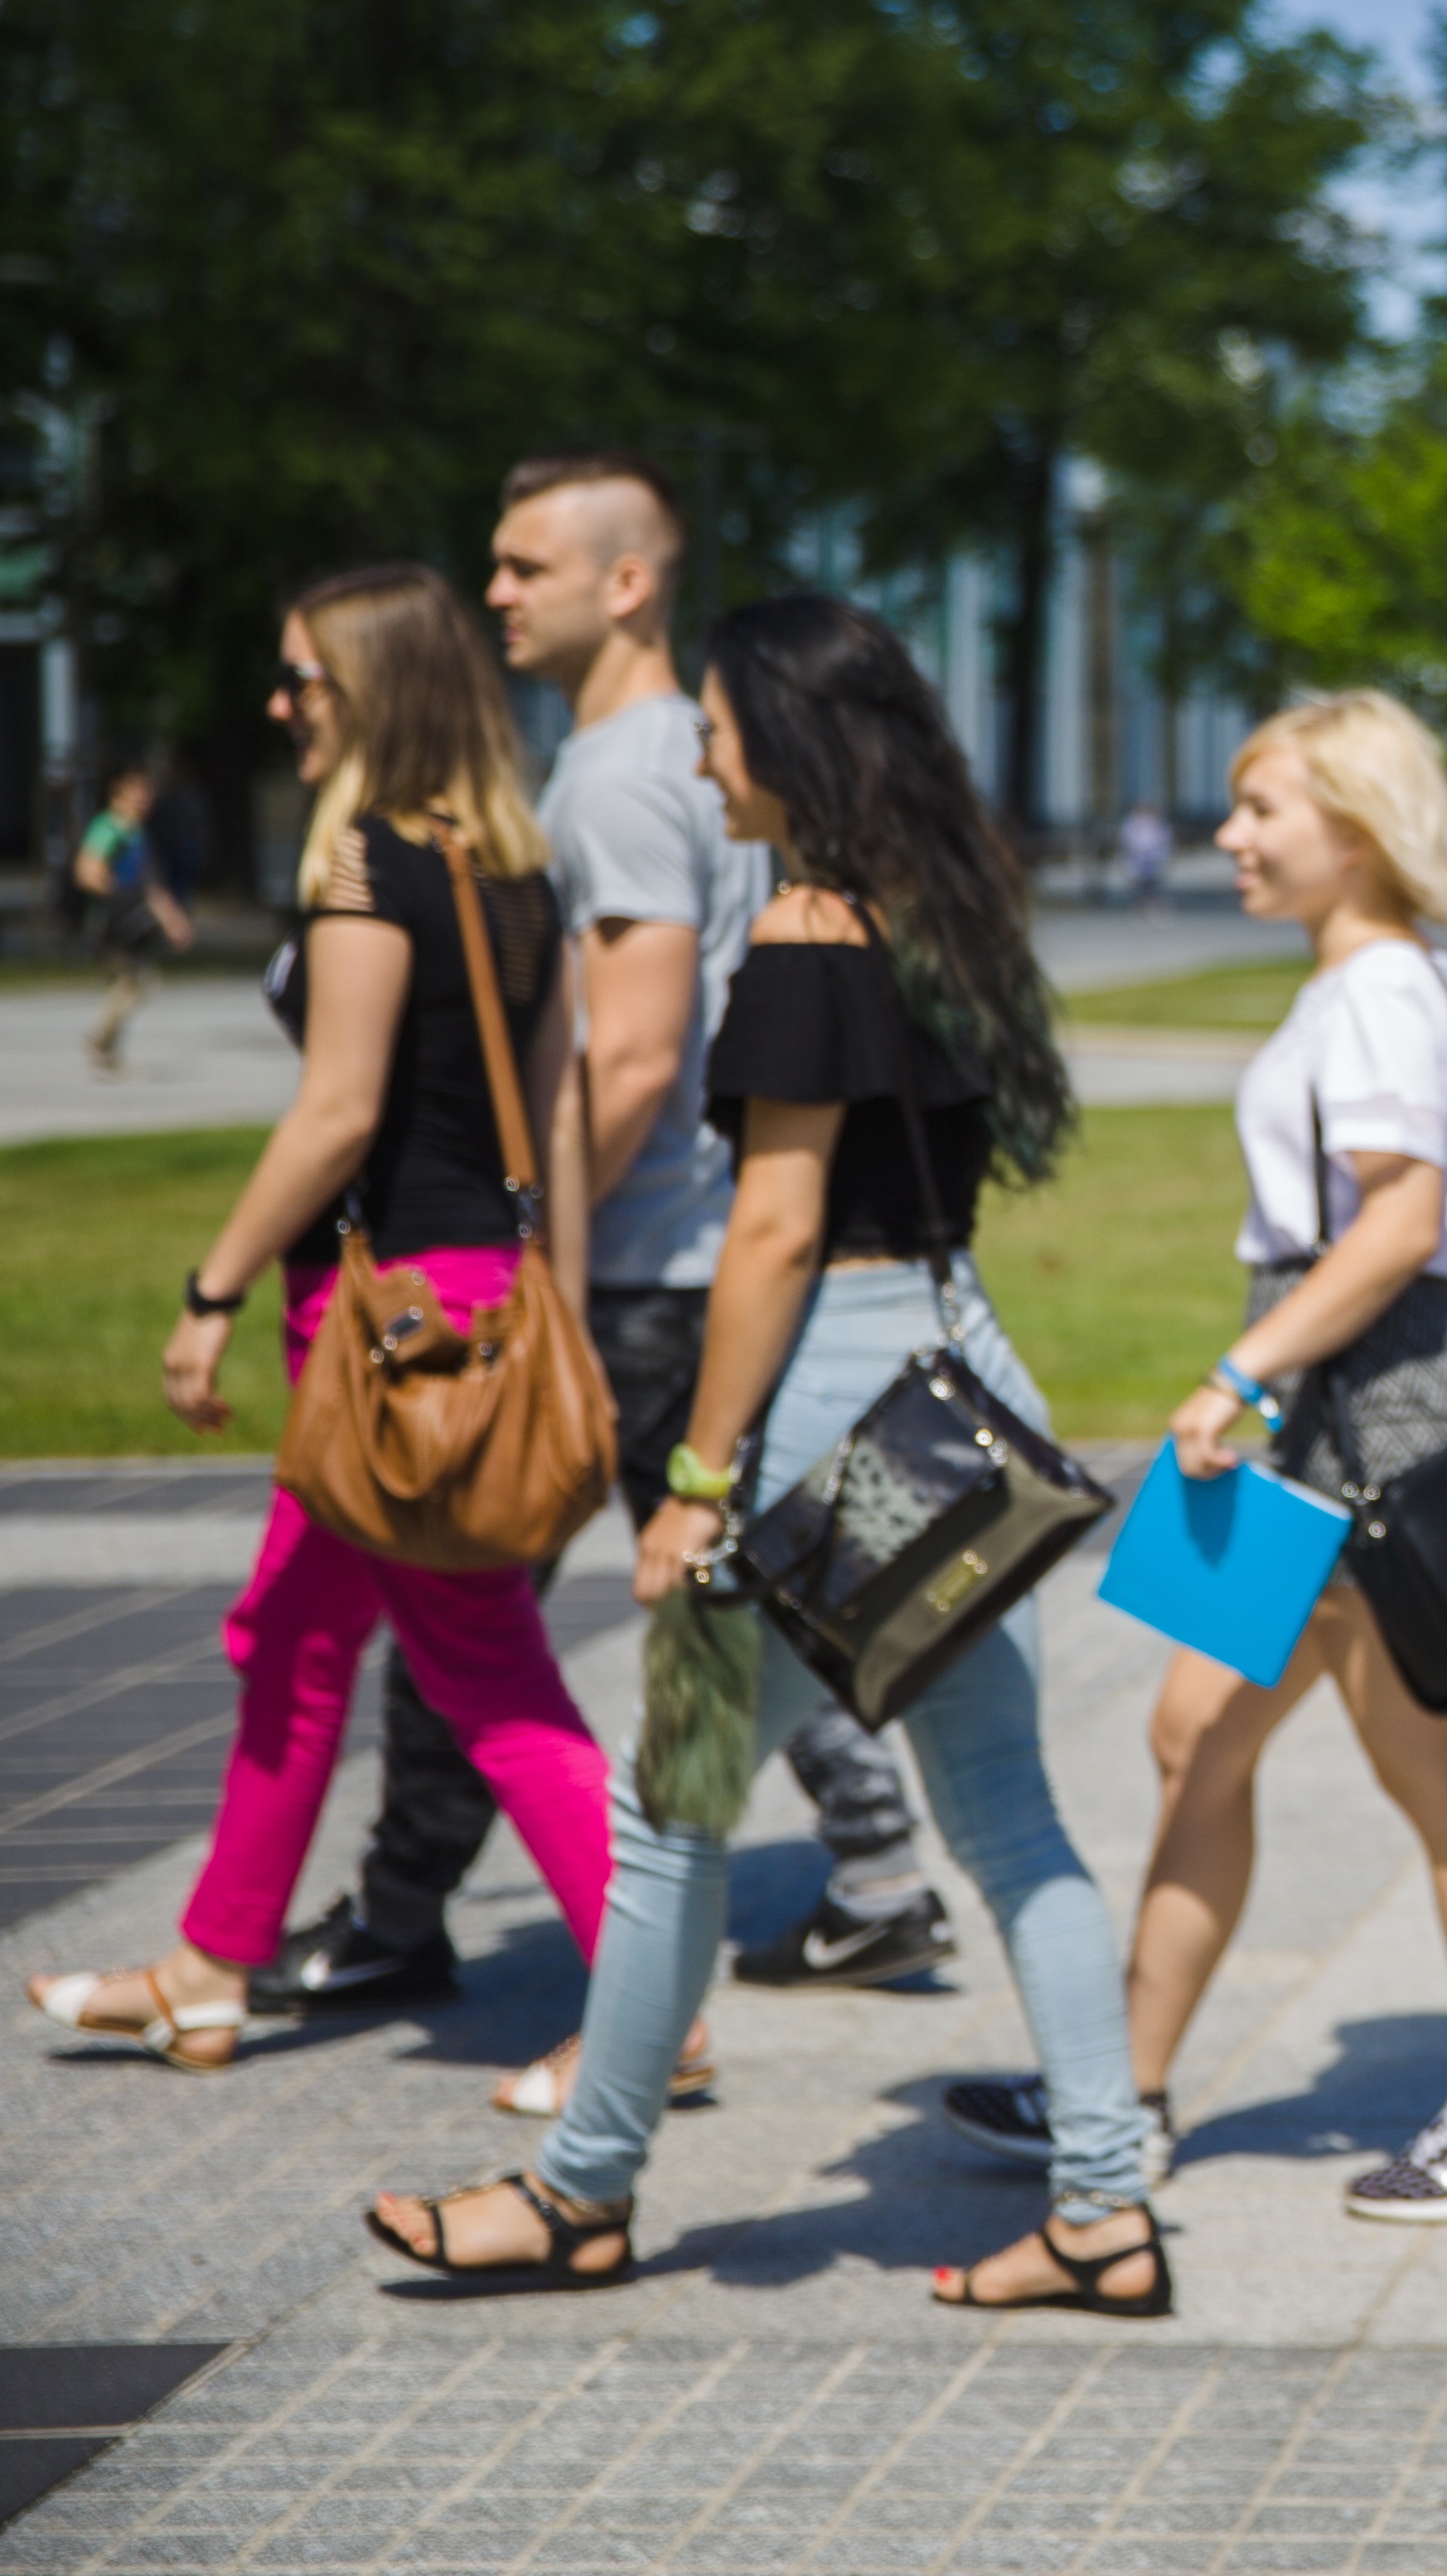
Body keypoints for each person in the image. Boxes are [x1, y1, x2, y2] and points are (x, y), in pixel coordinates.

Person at [357, 593, 1157, 2314]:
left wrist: (703, 1480)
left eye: (718, 724)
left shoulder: (804, 931)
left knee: (672, 1812)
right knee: (1012, 1822)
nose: (702, 751)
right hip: (964, 1374)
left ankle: (580, 2195)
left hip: (831, 1403)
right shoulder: (941, 913)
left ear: (789, 743)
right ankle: (1105, 2207)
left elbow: (777, 1234)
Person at [257, 456, 953, 2041]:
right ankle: (861, 1871)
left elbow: (632, 1056)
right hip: (660, 1260)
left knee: (478, 1585)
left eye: (528, 569)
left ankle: (417, 1916)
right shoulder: (646, 761)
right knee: (687, 1597)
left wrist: (539, 1270)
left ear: (625, 582)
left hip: (636, 1263)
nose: (495, 595)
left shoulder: (625, 777)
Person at [941, 692, 1447, 2227]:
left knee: (1435, 1775)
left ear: (1355, 830)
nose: (1230, 836)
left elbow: (1407, 1224)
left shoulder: (1380, 994)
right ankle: (1124, 2093)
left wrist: (1242, 1371)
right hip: (1329, 1398)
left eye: (1262, 811)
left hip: (1338, 1406)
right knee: (1193, 1731)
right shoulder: (1393, 980)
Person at [28, 568, 616, 2075]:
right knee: (290, 1633)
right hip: (477, 1302)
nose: (282, 706)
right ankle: (212, 1968)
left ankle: (646, 2021)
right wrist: (559, 1308)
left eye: (305, 681)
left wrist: (209, 1287)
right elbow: (557, 1110)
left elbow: (337, 1111)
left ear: (376, 692)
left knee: (484, 1670)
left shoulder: (367, 862)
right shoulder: (517, 870)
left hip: (387, 1330)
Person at [75, 761, 194, 1073]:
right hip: (114, 922)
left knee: (133, 982)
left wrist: (173, 921)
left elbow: (151, 886)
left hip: (132, 921)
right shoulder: (110, 827)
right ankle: (100, 1040)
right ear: (119, 792)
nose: (145, 798)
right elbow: (88, 868)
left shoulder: (136, 832)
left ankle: (105, 1048)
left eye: (148, 791)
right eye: (138, 791)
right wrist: (112, 894)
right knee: (136, 981)